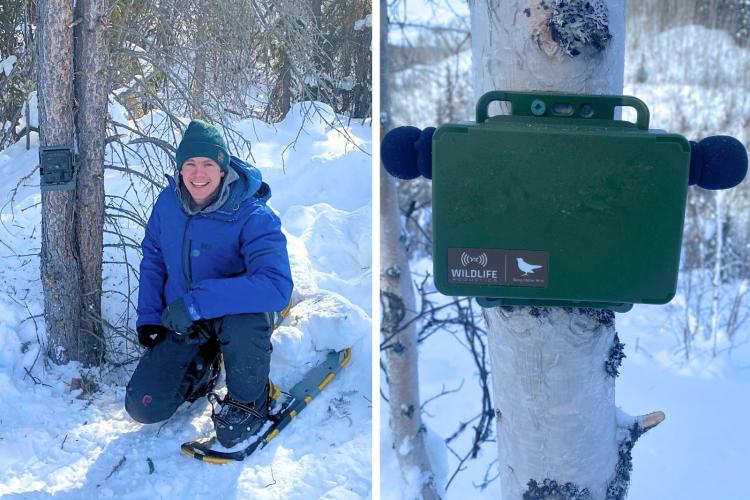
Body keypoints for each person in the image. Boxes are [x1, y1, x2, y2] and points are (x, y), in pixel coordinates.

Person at [125, 119, 293, 448]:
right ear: (179, 168)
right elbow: (154, 258)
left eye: (207, 164)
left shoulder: (253, 214)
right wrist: (148, 316)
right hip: (188, 318)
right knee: (143, 406)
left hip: (237, 317)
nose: (198, 175)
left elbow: (276, 286)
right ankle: (202, 370)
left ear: (223, 167)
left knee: (245, 322)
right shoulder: (167, 204)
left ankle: (251, 403)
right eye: (190, 164)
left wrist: (196, 302)